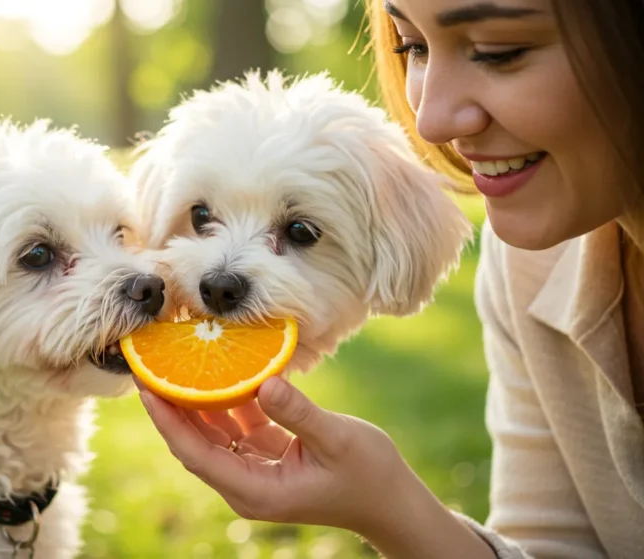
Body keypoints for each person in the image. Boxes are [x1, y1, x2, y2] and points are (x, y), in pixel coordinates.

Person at [135, 0, 644, 557]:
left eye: (500, 51)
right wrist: (387, 505)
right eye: (412, 47)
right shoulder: (531, 261)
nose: (427, 122)